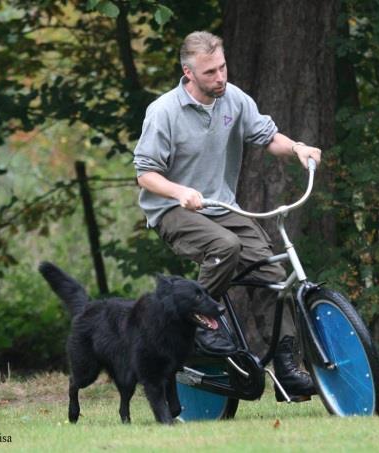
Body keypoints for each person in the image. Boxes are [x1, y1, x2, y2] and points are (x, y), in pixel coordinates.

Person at [133, 31, 322, 402]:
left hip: (222, 207)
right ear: (188, 73)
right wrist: (180, 191)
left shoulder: (233, 99)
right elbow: (145, 174)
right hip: (172, 210)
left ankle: (286, 367)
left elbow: (267, 136)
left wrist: (298, 148)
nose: (219, 77)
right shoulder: (164, 111)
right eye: (209, 72)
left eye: (222, 67)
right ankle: (200, 325)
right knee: (225, 246)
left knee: (273, 276)